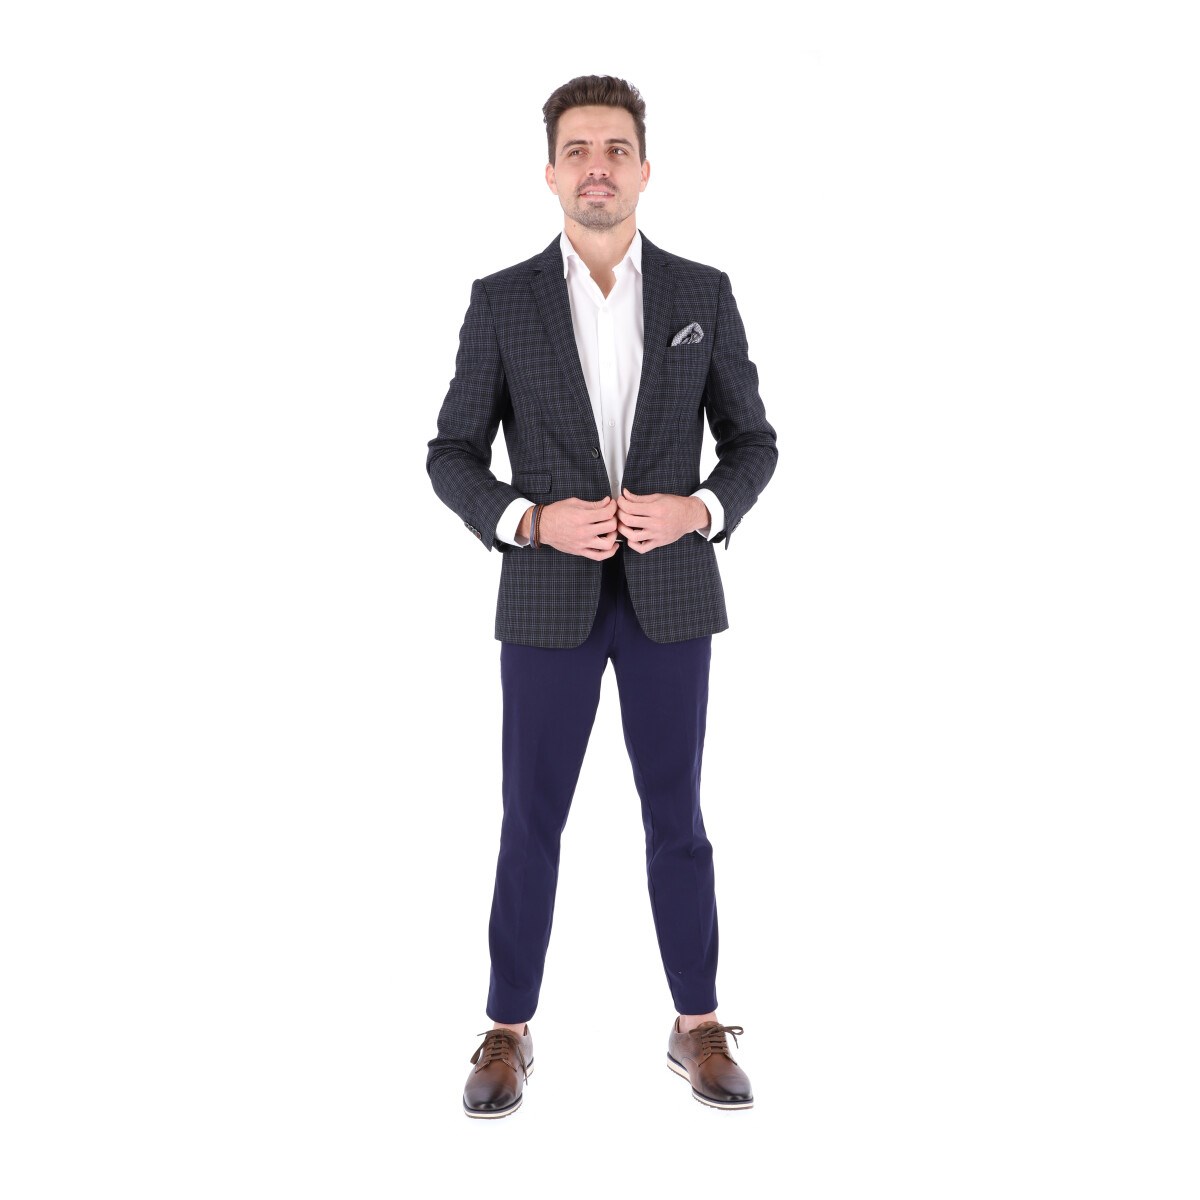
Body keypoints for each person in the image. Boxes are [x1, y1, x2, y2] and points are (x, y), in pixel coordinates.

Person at [426, 75, 778, 1118]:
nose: (597, 167)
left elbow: (754, 443)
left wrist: (700, 508)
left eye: (616, 149)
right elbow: (451, 453)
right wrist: (529, 520)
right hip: (547, 599)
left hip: (672, 598)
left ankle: (698, 1022)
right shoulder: (502, 301)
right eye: (578, 149)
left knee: (679, 817)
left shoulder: (703, 293)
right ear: (550, 172)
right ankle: (507, 1027)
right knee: (530, 819)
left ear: (644, 169)